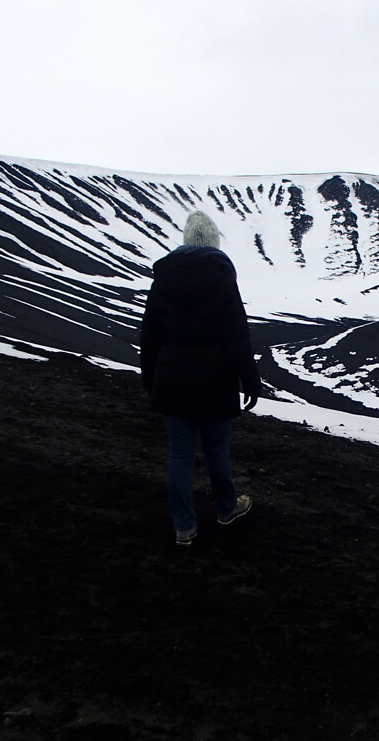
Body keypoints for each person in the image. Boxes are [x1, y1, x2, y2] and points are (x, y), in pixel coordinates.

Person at [140, 210, 263, 546]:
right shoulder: (222, 279)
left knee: (180, 455)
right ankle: (227, 509)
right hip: (215, 384)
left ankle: (184, 528)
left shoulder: (163, 279)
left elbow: (149, 336)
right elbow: (238, 338)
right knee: (216, 451)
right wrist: (250, 381)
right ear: (213, 243)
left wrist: (150, 379)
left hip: (172, 383)